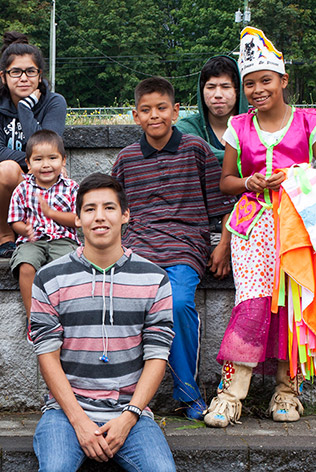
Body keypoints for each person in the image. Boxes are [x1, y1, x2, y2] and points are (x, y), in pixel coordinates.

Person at [30, 172, 182, 472]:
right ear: (77, 217)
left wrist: (129, 416)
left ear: (125, 215)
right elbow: (46, 354)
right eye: (90, 208)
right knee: (55, 471)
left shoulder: (153, 278)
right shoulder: (50, 277)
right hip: (66, 410)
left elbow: (158, 354)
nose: (99, 217)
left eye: (109, 208)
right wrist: (78, 419)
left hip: (130, 412)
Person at [203, 27, 316, 428]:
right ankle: (231, 395)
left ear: (283, 80)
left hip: (299, 226)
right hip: (252, 229)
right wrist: (248, 183)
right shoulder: (239, 128)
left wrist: (299, 174)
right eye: (250, 83)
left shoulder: (309, 123)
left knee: (294, 305)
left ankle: (287, 390)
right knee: (252, 303)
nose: (257, 90)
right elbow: (225, 181)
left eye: (265, 80)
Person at [111, 76, 233, 420]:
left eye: (162, 108)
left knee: (178, 303)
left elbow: (224, 208)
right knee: (128, 305)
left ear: (175, 111)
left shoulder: (195, 149)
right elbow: (114, 210)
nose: (154, 116)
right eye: (146, 110)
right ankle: (129, 395)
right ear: (136, 116)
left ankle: (187, 393)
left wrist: (221, 247)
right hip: (139, 246)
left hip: (185, 245)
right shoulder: (127, 158)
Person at [0, 31, 67, 258]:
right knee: (7, 168)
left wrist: (25, 109)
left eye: (30, 72)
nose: (23, 78)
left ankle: (43, 238)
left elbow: (48, 150)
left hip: (43, 192)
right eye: (15, 72)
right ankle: (6, 236)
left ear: (40, 76)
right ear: (4, 76)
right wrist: (33, 162)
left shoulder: (54, 103)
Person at [7, 129, 79, 317]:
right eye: (38, 160)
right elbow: (15, 220)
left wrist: (52, 213)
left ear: (63, 160)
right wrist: (25, 229)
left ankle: (61, 314)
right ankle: (34, 318)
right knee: (26, 265)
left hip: (64, 240)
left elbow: (78, 219)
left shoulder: (71, 188)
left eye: (52, 158)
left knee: (65, 268)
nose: (46, 165)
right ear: (28, 164)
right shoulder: (22, 189)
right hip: (32, 241)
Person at [176, 55, 248, 165]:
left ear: (238, 91)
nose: (218, 95)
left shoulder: (255, 126)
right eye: (211, 87)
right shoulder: (187, 128)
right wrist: (248, 155)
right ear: (201, 91)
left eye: (225, 87)